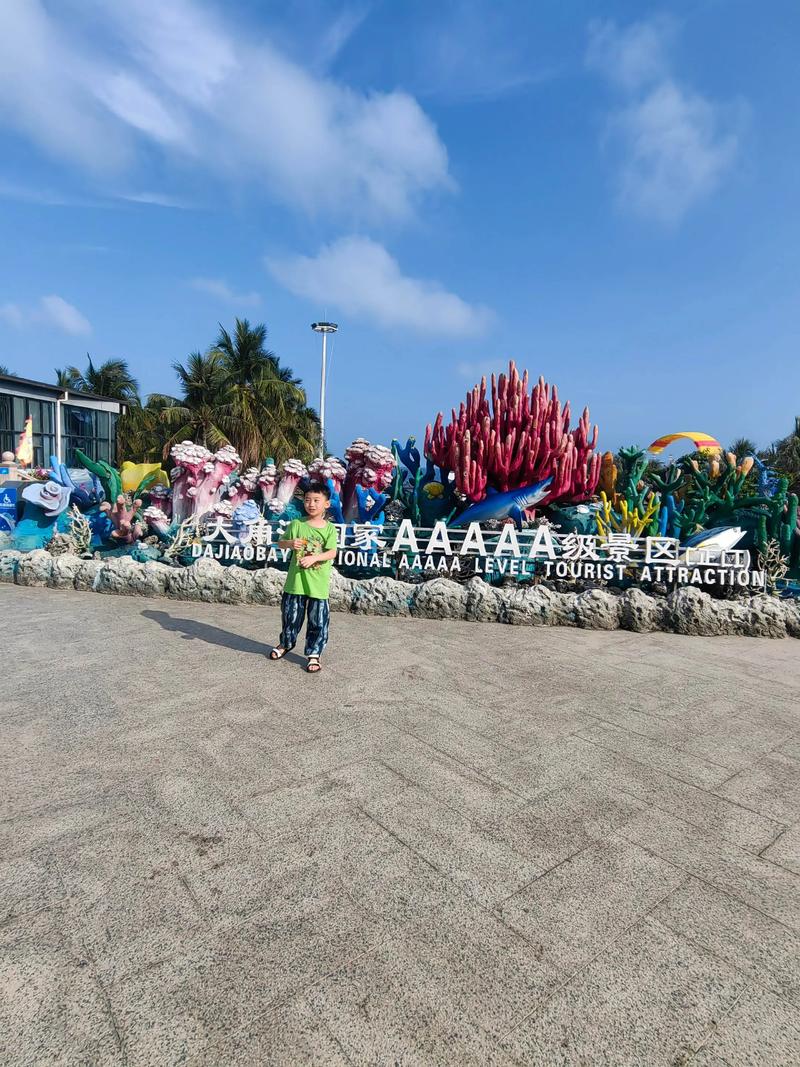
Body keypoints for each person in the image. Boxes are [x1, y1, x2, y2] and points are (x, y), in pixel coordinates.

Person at [270, 481, 338, 673]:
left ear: (326, 504)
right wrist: (290, 543)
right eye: (308, 500)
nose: (311, 504)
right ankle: (285, 644)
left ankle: (314, 654)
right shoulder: (297, 524)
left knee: (318, 621)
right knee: (290, 617)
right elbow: (281, 543)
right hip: (296, 583)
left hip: (318, 585)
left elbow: (332, 552)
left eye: (316, 500)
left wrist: (314, 558)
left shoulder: (329, 529)